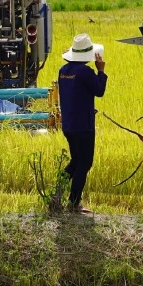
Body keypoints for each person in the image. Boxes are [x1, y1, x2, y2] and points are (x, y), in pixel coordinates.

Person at [57, 33, 107, 214]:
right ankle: (73, 203)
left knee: (76, 161)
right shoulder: (86, 72)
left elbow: (72, 95)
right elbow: (99, 91)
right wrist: (100, 70)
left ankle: (56, 195)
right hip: (83, 126)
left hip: (69, 124)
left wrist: (86, 106)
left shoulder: (63, 71)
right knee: (84, 163)